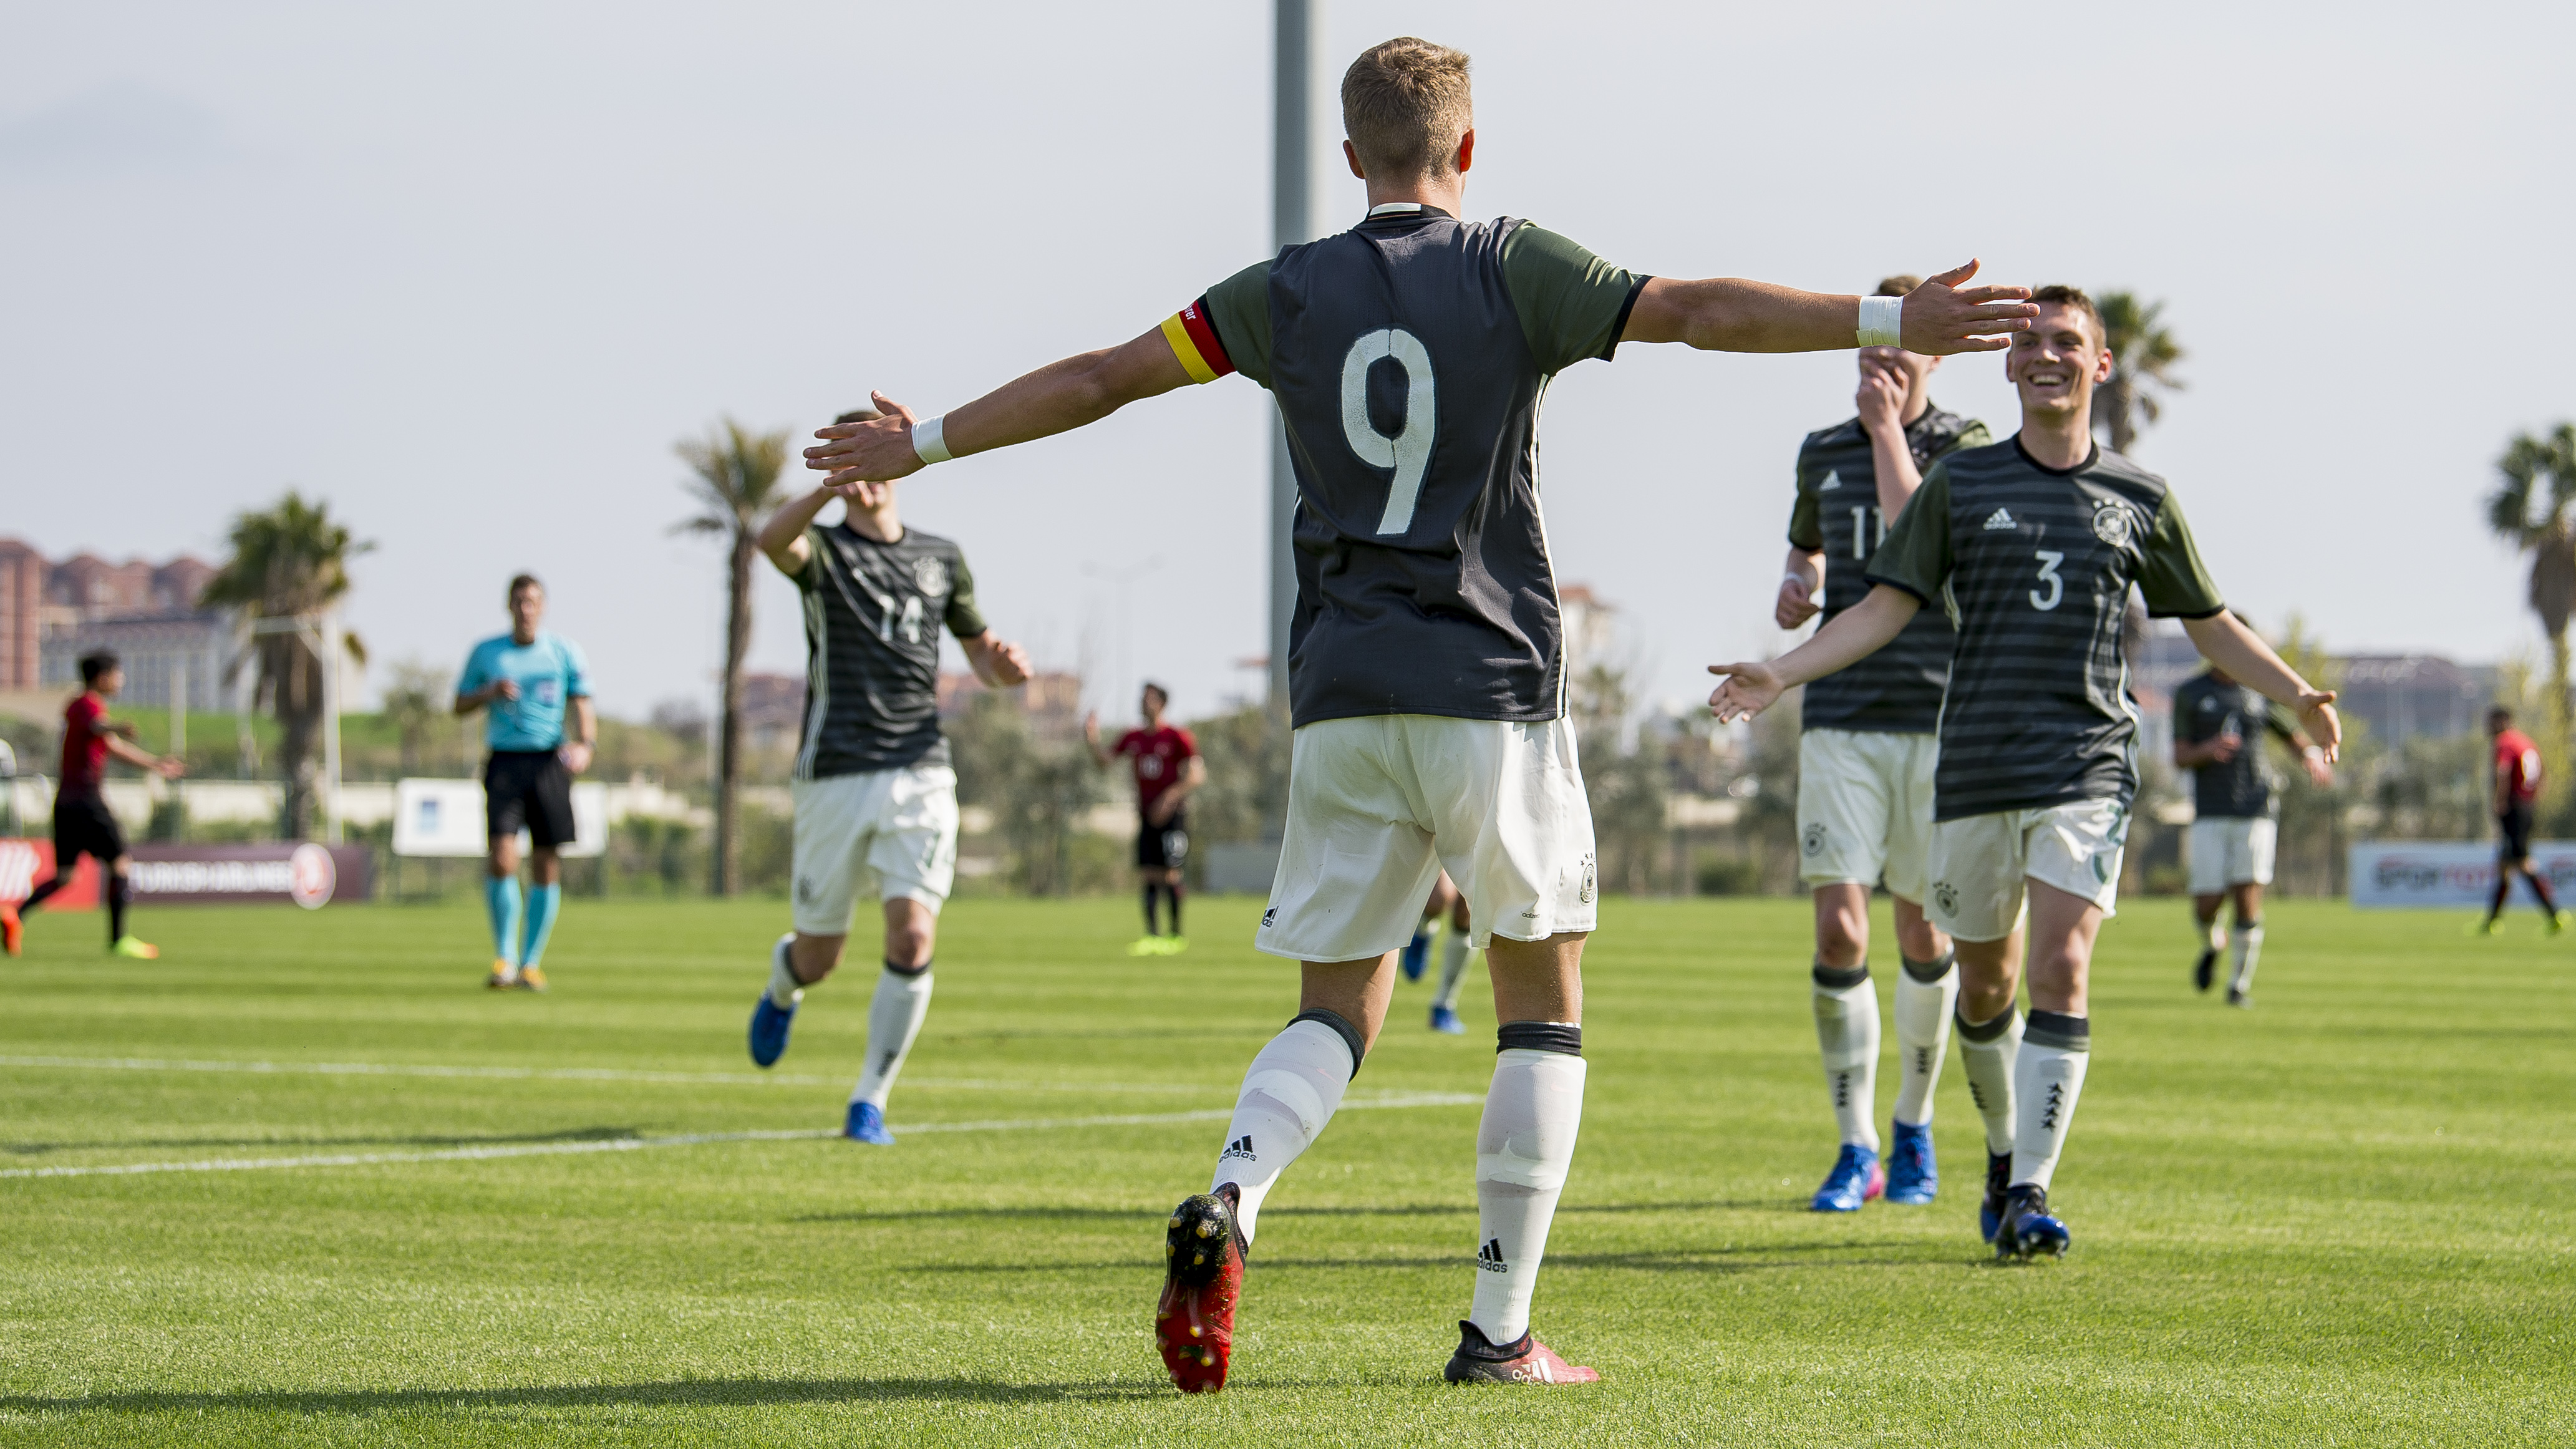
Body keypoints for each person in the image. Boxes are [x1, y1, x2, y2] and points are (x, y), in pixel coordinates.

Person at [800, 36, 2033, 1388]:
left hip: (1338, 696)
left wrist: (915, 447)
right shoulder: (1512, 265)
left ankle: (1232, 1196)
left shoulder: (1280, 292)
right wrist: (1881, 320)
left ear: (1349, 159)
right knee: (1540, 1003)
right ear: (1466, 147)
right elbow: (1690, 309)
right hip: (1489, 686)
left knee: (1338, 1005)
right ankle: (1499, 1333)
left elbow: (1100, 378)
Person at [1709, 286, 2340, 1264]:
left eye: (2067, 342)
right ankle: (2003, 1156)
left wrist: (2297, 692)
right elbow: (1884, 606)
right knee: (1984, 984)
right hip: (1971, 766)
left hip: (2084, 762)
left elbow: (2207, 621)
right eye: (2032, 342)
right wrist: (1780, 671)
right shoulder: (1959, 486)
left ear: (2101, 366)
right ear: (2008, 366)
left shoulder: (2141, 496)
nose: (2046, 355)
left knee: (2061, 964)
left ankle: (2034, 1188)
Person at [745, 408, 1031, 1146]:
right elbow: (768, 542)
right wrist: (825, 487)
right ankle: (784, 984)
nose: (863, 476)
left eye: (866, 454)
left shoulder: (941, 556)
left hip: (920, 770)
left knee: (910, 939)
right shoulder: (825, 553)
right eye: (847, 459)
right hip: (836, 773)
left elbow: (981, 661)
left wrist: (1001, 670)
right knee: (820, 956)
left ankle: (868, 1100)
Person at [1775, 275, 1990, 1214]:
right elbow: (1808, 552)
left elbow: (1923, 541)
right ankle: (1853, 1140)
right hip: (1841, 716)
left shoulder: (1968, 449)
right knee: (1838, 926)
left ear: (1931, 357)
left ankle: (1911, 1122)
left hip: (1938, 716)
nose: (1880, 362)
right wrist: (1796, 580)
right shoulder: (1820, 451)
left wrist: (1885, 433)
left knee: (1921, 929)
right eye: (1871, 343)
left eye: (1900, 347)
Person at [454, 575, 594, 991]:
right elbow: (458, 703)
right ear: (509, 606)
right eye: (518, 601)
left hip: (549, 761)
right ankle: (504, 958)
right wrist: (489, 691)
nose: (525, 608)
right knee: (502, 856)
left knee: (546, 863)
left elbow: (583, 703)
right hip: (505, 761)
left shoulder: (563, 651)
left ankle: (532, 962)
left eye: (532, 601)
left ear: (543, 605)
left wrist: (586, 745)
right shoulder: (487, 652)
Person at [2172, 646, 2334, 1002]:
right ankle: (2213, 944)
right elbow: (2180, 756)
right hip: (2211, 811)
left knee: (2248, 898)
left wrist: (2310, 757)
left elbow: (2289, 734)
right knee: (2207, 904)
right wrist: (2208, 749)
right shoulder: (2191, 693)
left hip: (2256, 808)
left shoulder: (2257, 694)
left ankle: (2238, 987)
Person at [1, 651, 185, 959]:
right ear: (103, 677)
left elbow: (110, 745)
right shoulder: (86, 704)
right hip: (86, 800)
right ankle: (118, 940)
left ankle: (13, 917)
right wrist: (116, 727)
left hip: (66, 803)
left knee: (65, 876)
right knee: (120, 864)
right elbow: (99, 728)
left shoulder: (79, 707)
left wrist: (154, 763)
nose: (121, 680)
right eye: (118, 674)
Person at [1085, 683, 1204, 956]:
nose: (1143, 703)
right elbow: (1105, 762)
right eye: (1142, 698)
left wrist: (1169, 798)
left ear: (1161, 704)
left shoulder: (1177, 736)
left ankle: (1175, 936)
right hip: (1146, 816)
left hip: (1173, 817)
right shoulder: (1133, 737)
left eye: (1149, 699)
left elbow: (1196, 776)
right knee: (1149, 874)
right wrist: (1092, 741)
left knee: (1171, 874)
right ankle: (1151, 936)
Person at [2476, 705, 2564, 934]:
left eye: (2492, 721)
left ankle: (2555, 914)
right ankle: (2492, 922)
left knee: (2522, 862)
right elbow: (2543, 772)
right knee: (2504, 865)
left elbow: (2503, 772)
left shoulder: (2504, 743)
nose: (2488, 727)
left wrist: (2500, 801)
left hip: (2513, 808)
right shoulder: (2525, 742)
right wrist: (2533, 799)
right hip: (2525, 806)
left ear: (2503, 721)